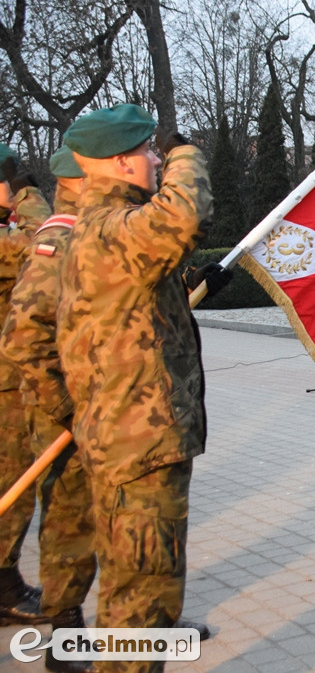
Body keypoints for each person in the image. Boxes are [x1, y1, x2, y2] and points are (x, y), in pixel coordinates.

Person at [56, 104, 213, 668]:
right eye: (148, 151)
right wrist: (186, 152)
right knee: (141, 603)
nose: (156, 160)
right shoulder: (108, 229)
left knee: (137, 592)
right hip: (137, 448)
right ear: (122, 162)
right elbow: (184, 216)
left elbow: (132, 315)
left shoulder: (99, 230)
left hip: (127, 442)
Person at [1, 146, 99, 673]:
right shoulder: (55, 238)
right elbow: (23, 337)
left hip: (103, 406)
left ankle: (143, 621)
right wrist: (65, 407)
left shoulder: (96, 233)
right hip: (49, 400)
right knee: (65, 513)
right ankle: (65, 634)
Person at [0, 144, 48, 627]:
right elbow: (41, 243)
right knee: (11, 482)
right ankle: (3, 588)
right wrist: (27, 194)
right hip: (4, 389)